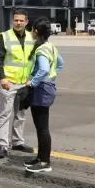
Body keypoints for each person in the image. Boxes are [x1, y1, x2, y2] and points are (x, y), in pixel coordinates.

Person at [23, 17, 65, 172]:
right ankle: (40, 157)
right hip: (47, 87)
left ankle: (44, 162)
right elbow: (60, 64)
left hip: (41, 90)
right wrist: (52, 77)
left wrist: (33, 82)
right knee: (40, 126)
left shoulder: (41, 50)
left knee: (42, 127)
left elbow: (44, 69)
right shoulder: (50, 47)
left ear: (36, 31)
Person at [0, 9, 35, 158]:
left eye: (21, 20)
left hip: (25, 83)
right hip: (9, 83)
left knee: (21, 114)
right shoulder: (4, 37)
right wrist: (2, 78)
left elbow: (33, 60)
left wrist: (32, 79)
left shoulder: (32, 37)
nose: (18, 23)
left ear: (26, 22)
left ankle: (17, 142)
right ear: (13, 21)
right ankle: (2, 145)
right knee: (4, 114)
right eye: (16, 20)